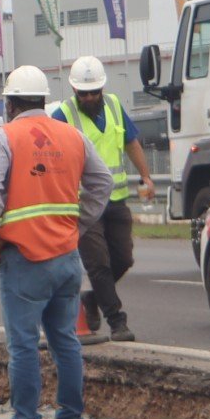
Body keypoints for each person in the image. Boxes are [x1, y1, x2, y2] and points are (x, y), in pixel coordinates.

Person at [0, 65, 113, 419]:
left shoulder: (6, 137)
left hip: (23, 259)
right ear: (43, 101)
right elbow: (103, 183)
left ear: (11, 103)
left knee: (22, 345)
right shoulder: (72, 135)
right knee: (65, 341)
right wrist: (78, 225)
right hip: (67, 258)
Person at [51, 56, 156, 344]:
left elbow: (131, 143)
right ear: (74, 91)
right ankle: (117, 321)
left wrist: (146, 177)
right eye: (83, 93)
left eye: (93, 92)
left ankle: (93, 297)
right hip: (84, 206)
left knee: (123, 258)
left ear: (102, 89)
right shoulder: (63, 116)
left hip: (117, 200)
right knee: (97, 264)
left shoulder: (112, 106)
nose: (89, 97)